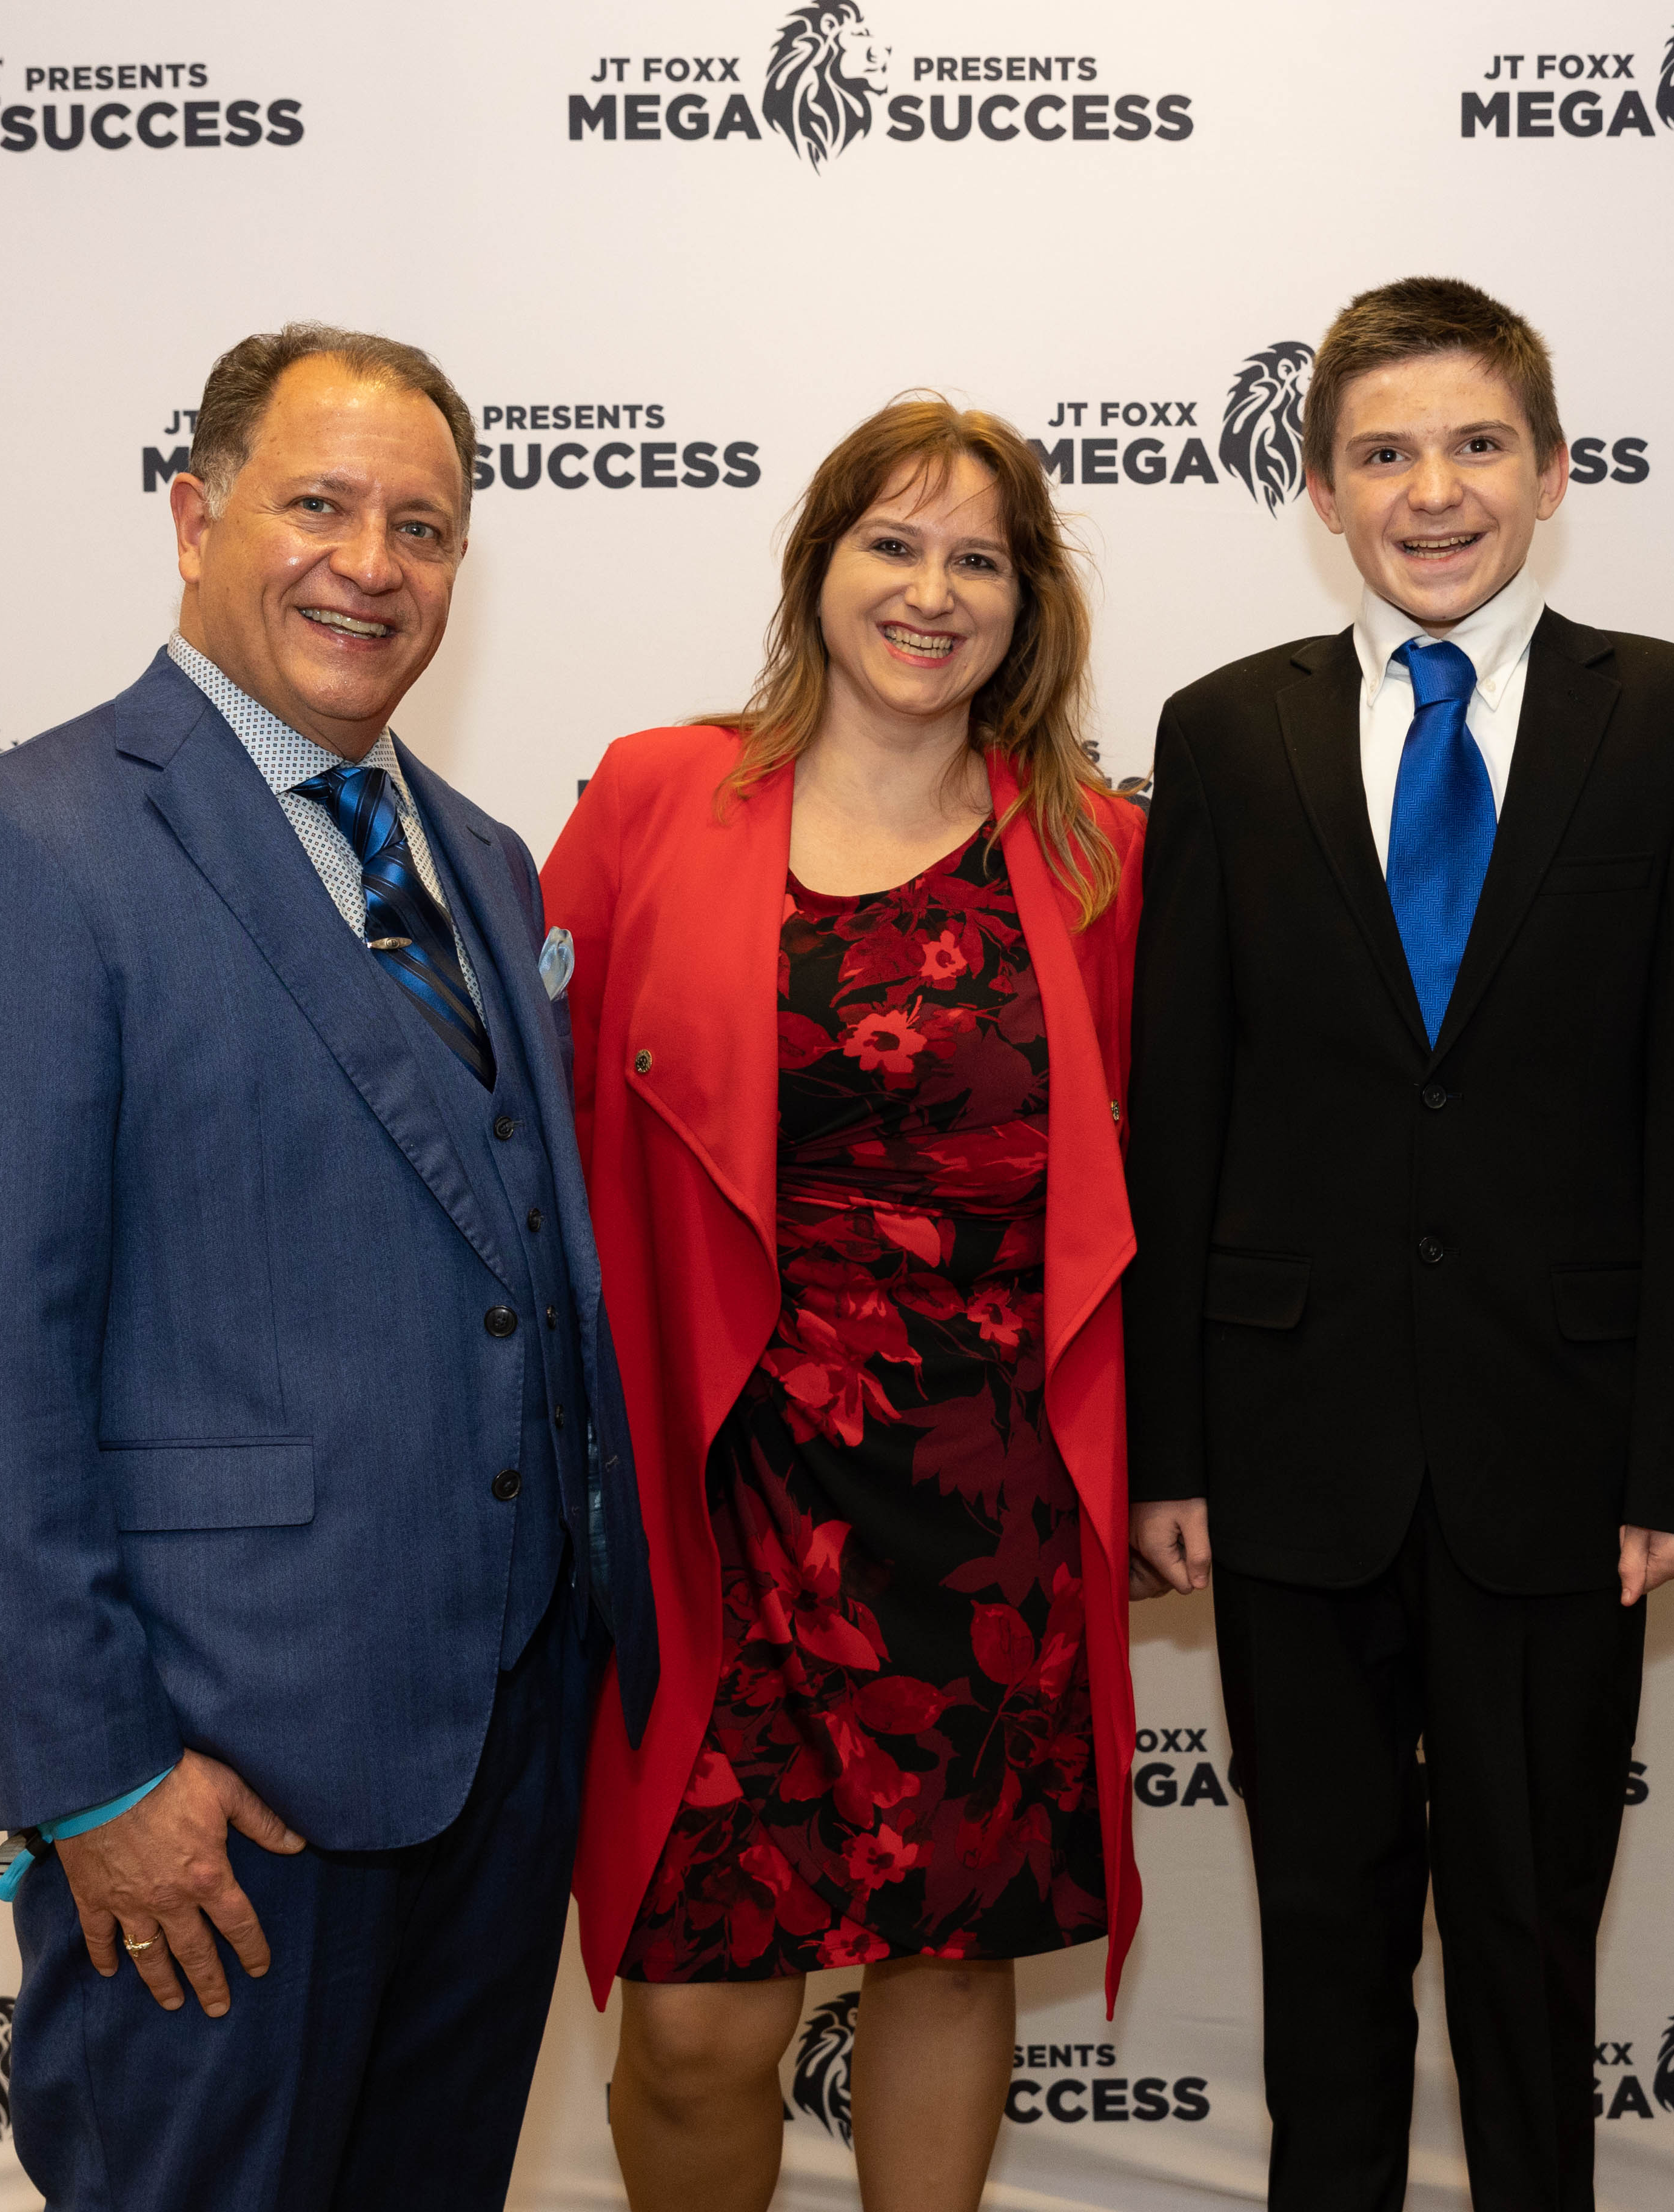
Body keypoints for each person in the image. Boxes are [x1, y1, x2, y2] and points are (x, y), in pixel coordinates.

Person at [0, 322, 656, 2211]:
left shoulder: (484, 860)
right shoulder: (20, 851)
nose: (371, 564)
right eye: (319, 506)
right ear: (196, 518)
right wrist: (95, 1779)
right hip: (215, 1792)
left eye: (423, 529)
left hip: (498, 1761)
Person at [1124, 276, 1674, 2211]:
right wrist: (1170, 1449)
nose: (1434, 493)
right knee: (1322, 1945)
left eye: (1478, 445)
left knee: (1529, 1941)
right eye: (1384, 455)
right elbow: (1182, 1108)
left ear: (1555, 471)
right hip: (1288, 1452)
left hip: (1560, 1456)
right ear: (1320, 492)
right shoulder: (1224, 732)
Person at [549, 396, 1149, 2212]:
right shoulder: (658, 795)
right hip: (720, 1477)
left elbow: (1156, 1180)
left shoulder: (1098, 853)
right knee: (695, 2024)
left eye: (980, 560)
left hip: (986, 1490)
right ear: (818, 569)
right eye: (893, 543)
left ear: (1030, 606)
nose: (931, 592)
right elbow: (537, 1123)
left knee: (948, 1955)